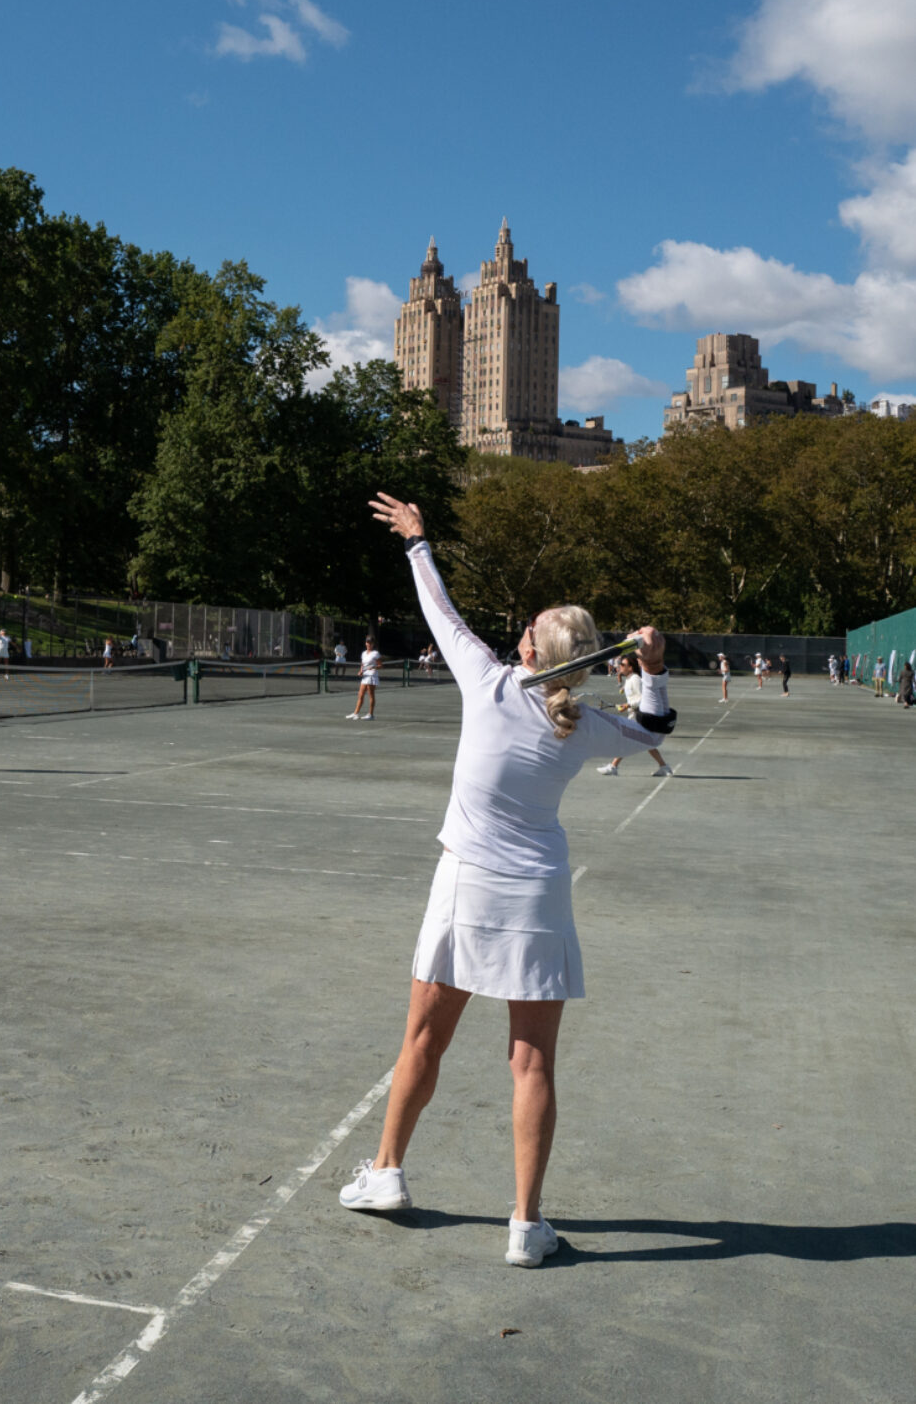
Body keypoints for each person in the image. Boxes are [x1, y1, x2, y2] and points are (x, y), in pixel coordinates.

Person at [341, 495, 674, 1269]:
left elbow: (439, 612)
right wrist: (652, 668)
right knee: (533, 1063)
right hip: (538, 900)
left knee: (424, 1038)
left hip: (465, 889)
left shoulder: (488, 683)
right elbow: (654, 729)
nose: (515, 633)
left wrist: (418, 541)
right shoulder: (585, 725)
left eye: (526, 629)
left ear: (534, 652)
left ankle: (386, 1173)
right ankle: (526, 1226)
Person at [596, 654, 672, 777]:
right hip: (635, 716)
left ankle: (613, 766)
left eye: (623, 664)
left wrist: (628, 705)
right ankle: (664, 767)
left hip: (639, 717)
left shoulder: (636, 679)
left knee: (626, 740)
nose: (620, 666)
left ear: (630, 668)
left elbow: (643, 698)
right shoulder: (630, 679)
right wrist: (627, 702)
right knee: (647, 743)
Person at [348, 638, 382, 721]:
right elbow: (362, 664)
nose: (369, 644)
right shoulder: (363, 653)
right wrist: (360, 671)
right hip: (365, 676)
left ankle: (371, 714)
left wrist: (373, 667)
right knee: (360, 694)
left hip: (372, 675)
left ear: (373, 644)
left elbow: (380, 665)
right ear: (365, 643)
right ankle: (355, 713)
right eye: (367, 642)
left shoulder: (375, 653)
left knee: (371, 694)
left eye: (370, 643)